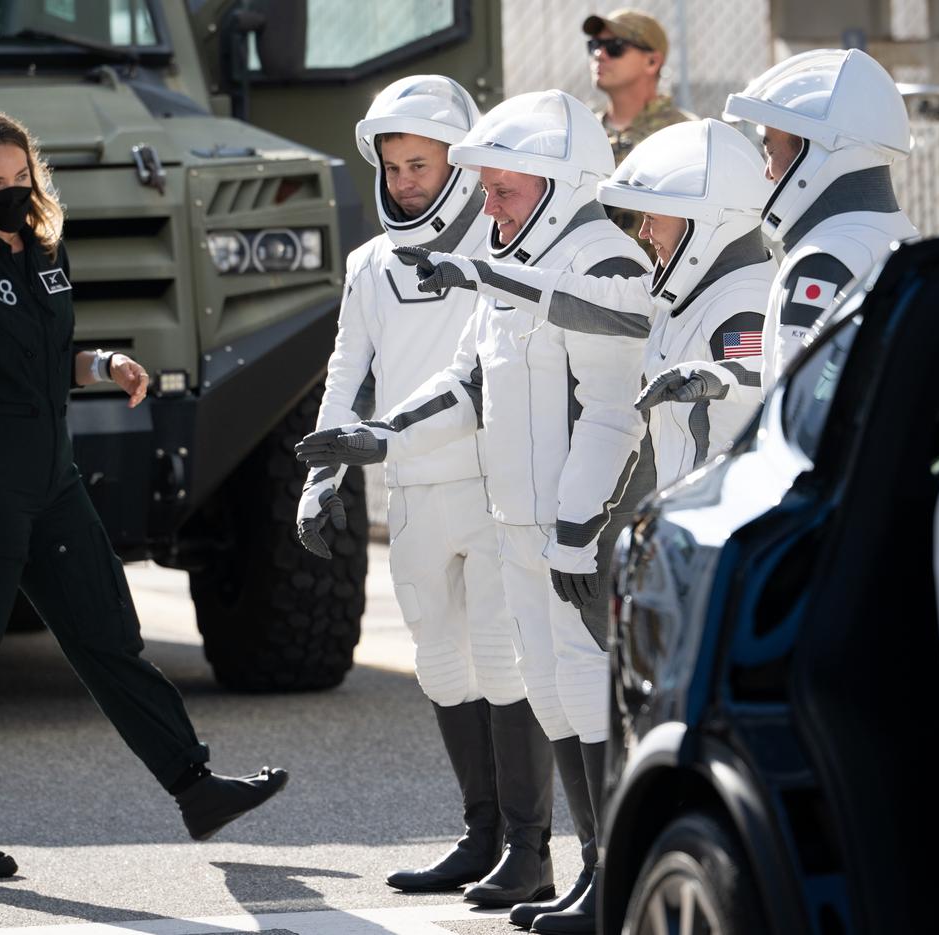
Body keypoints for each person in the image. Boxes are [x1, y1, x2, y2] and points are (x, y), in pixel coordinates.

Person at [0, 109, 286, 879]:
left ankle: (195, 785)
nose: (10, 193)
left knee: (109, 634)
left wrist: (107, 363)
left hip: (53, 479)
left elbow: (51, 356)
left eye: (19, 178)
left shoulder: (43, 250)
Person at [297, 90, 651, 932]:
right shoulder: (453, 260)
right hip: (472, 507)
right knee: (504, 680)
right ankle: (541, 854)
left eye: (501, 187)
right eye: (394, 166)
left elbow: (613, 406)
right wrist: (359, 450)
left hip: (546, 519)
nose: (482, 203)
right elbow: (442, 380)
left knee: (557, 684)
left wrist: (574, 529)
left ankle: (566, 860)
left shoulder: (568, 258)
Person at [296, 75, 548, 897]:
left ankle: (530, 849)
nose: (405, 181)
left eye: (421, 163)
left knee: (504, 662)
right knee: (442, 666)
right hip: (410, 491)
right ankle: (479, 836)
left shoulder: (502, 248)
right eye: (394, 165)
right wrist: (320, 477)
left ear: (460, 161)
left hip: (491, 487)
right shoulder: (369, 263)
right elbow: (344, 380)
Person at [394, 117, 778, 489]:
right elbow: (582, 296)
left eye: (652, 217)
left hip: (722, 520)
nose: (643, 233)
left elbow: (761, 376)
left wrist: (719, 378)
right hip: (694, 515)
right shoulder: (686, 291)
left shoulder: (742, 304)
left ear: (705, 221)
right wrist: (474, 273)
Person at [641, 48, 920, 409]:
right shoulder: (902, 236)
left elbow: (798, 409)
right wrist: (724, 378)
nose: (767, 172)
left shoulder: (820, 262)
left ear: (814, 152)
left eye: (770, 150)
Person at [583, 8, 694, 256]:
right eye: (595, 45)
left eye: (615, 47)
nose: (600, 55)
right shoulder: (583, 132)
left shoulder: (685, 135)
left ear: (652, 61)